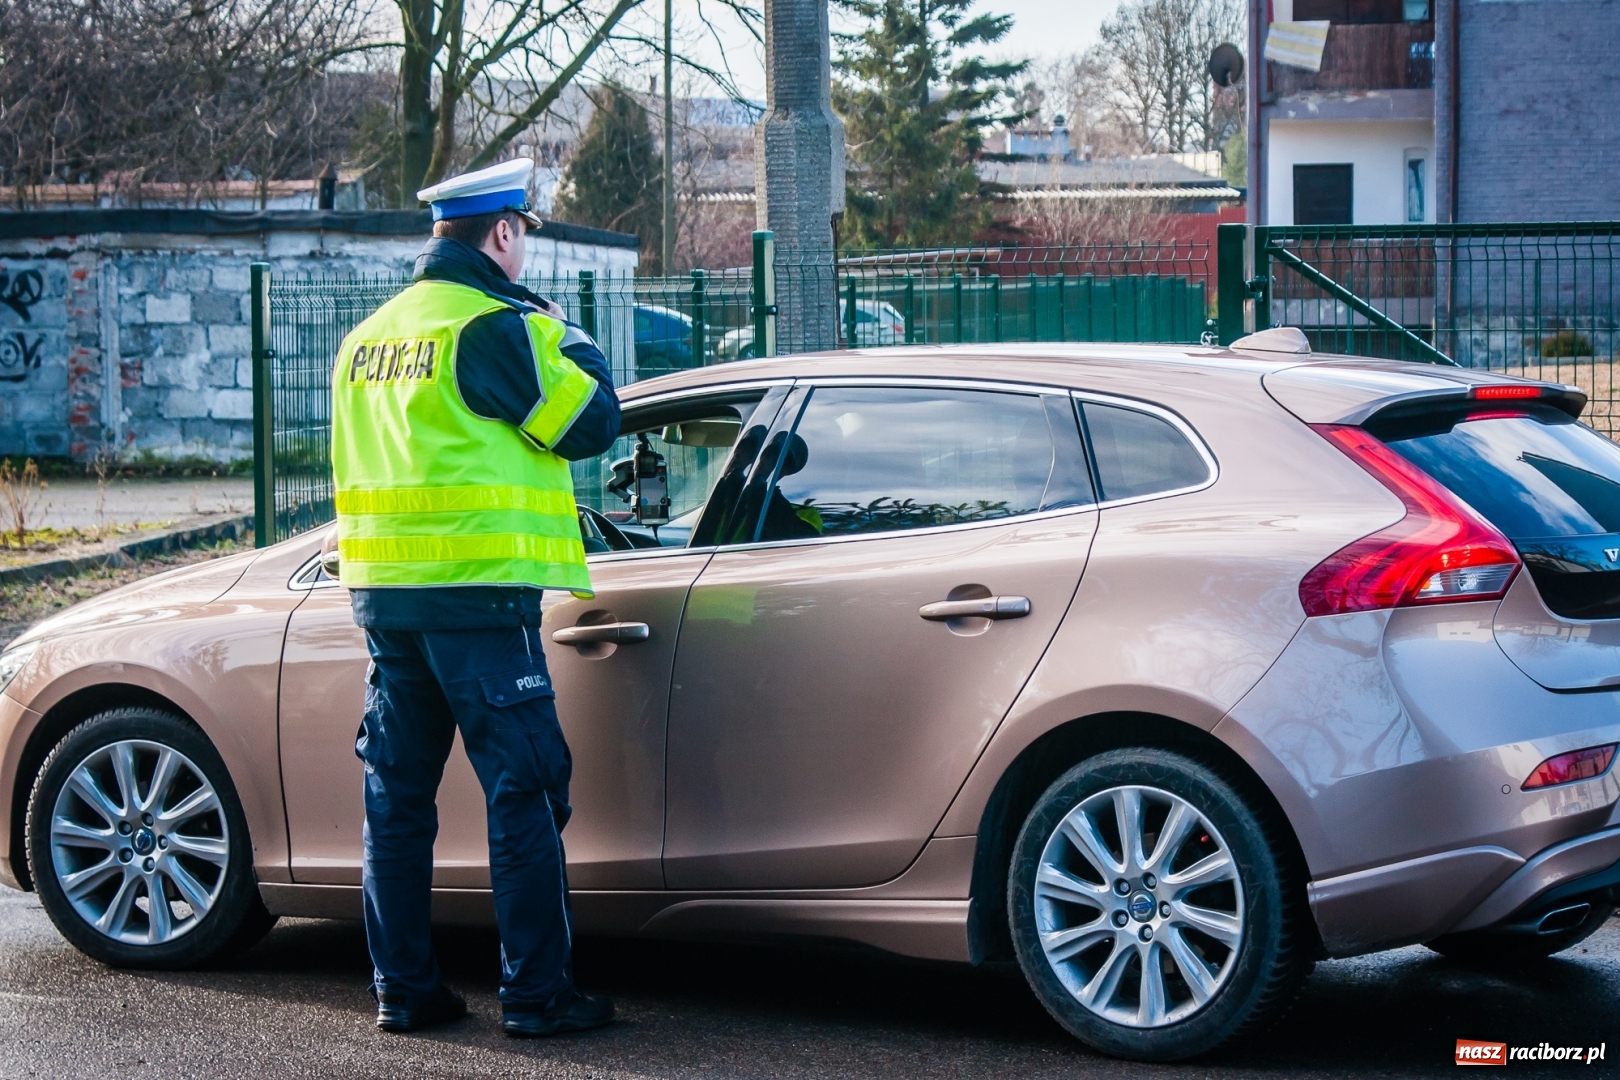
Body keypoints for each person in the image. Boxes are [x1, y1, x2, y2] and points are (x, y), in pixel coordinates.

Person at [328, 158, 621, 1038]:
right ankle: (536, 996)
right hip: (481, 603)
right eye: (524, 231)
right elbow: (593, 418)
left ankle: (403, 991)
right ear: (502, 233)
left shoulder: (366, 339)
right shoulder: (494, 328)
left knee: (398, 798)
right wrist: (568, 336)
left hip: (386, 603)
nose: (524, 246)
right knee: (524, 793)